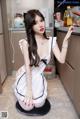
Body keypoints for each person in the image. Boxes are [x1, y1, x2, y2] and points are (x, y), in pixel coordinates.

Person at [13, 9, 74, 111]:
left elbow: (61, 59)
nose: (40, 24)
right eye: (35, 23)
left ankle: (40, 88)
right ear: (30, 27)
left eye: (41, 20)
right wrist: (29, 90)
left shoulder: (51, 41)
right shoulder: (25, 43)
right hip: (27, 77)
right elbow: (28, 67)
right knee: (28, 107)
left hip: (38, 77)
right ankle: (17, 85)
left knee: (39, 104)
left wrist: (66, 40)